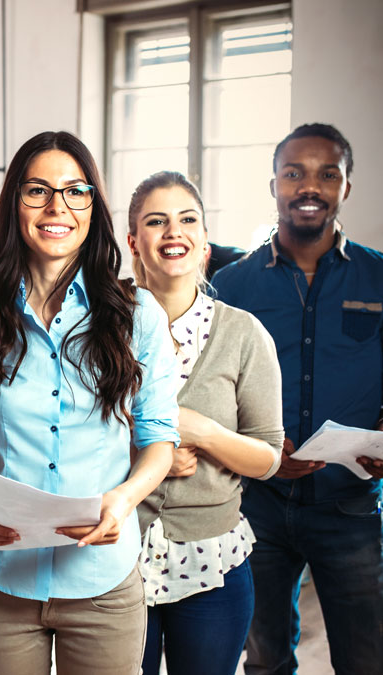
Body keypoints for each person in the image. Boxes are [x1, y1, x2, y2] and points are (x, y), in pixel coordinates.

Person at [0, 131, 178, 675]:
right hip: (1, 580)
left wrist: (123, 500)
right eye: (38, 191)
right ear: (15, 204)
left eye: (76, 191)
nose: (58, 207)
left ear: (93, 207)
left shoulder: (136, 314)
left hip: (102, 583)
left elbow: (158, 439)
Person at [213, 123, 383, 675]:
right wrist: (254, 447)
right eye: (295, 173)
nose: (310, 186)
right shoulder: (232, 286)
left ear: (346, 188)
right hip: (255, 506)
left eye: (327, 174)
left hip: (350, 506)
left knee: (366, 658)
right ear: (274, 186)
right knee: (263, 657)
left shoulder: (380, 277)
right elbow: (210, 387)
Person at [126, 171, 284, 675]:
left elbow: (268, 459)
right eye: (157, 221)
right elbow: (66, 438)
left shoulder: (243, 334)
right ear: (134, 241)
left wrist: (204, 432)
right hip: (116, 560)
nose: (174, 232)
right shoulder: (97, 329)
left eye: (187, 219)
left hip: (212, 565)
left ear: (205, 241)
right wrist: (148, 457)